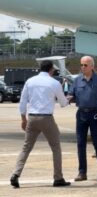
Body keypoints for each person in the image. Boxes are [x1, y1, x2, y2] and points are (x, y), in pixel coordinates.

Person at [10, 60, 71, 188]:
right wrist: (68, 99)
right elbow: (63, 103)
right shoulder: (54, 83)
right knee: (55, 147)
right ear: (51, 70)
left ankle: (16, 174)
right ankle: (58, 178)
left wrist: (23, 119)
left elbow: (22, 102)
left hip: (32, 117)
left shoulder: (30, 81)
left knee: (26, 148)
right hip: (47, 118)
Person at [68, 56, 97, 181]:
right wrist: (68, 97)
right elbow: (71, 93)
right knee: (81, 144)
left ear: (92, 66)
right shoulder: (77, 80)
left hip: (95, 114)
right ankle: (82, 172)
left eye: (85, 65)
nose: (82, 67)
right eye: (81, 65)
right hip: (81, 114)